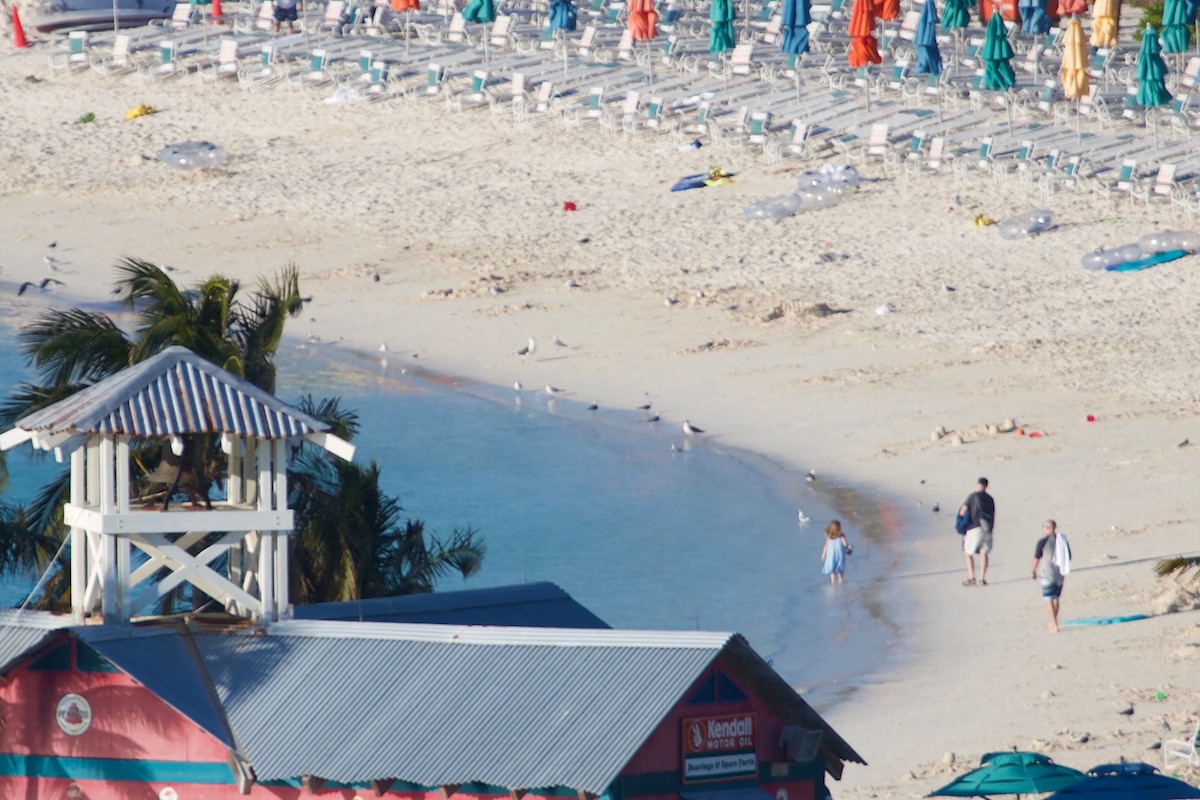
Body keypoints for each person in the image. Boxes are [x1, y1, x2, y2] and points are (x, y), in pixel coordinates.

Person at [1031, 519, 1071, 633]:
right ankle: (1053, 622)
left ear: (1048, 528)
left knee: (1048, 599)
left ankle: (1053, 624)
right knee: (1056, 598)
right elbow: (1069, 556)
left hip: (1047, 573)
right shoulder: (1062, 541)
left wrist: (1033, 570)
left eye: (1044, 526)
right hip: (1060, 573)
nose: (1043, 528)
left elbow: (1036, 558)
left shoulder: (1042, 542)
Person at [959, 477, 995, 586]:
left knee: (967, 552)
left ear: (977, 484)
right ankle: (982, 578)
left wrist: (961, 522)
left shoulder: (972, 496)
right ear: (986, 486)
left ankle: (971, 576)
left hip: (974, 527)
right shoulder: (990, 498)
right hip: (987, 528)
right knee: (984, 552)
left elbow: (963, 510)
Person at [820, 520, 851, 585]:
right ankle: (840, 581)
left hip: (831, 557)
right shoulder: (841, 536)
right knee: (840, 570)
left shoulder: (828, 536)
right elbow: (845, 544)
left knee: (832, 571)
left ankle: (833, 583)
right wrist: (848, 547)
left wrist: (823, 554)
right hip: (840, 557)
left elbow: (826, 545)